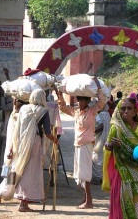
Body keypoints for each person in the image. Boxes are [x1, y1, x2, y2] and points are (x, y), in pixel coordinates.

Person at [102, 98, 138, 218]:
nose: (126, 111)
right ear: (118, 111)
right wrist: (111, 145)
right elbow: (107, 146)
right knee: (121, 205)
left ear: (135, 111)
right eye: (123, 108)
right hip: (122, 173)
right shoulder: (115, 128)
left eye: (129, 108)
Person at [57, 77, 105, 209]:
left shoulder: (92, 111)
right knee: (80, 173)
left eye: (82, 100)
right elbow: (62, 107)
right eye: (79, 99)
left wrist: (98, 88)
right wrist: (60, 94)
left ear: (87, 101)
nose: (80, 102)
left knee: (85, 173)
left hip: (86, 145)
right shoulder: (76, 111)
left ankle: (89, 201)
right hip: (78, 144)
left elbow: (101, 103)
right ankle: (85, 198)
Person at [11, 89, 58, 212]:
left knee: (23, 168)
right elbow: (48, 132)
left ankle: (23, 202)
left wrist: (12, 147)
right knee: (30, 172)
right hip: (34, 144)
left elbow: (17, 128)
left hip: (22, 143)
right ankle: (23, 202)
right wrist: (55, 139)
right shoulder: (43, 111)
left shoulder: (24, 109)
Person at [0, 97, 27, 203]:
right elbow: (16, 136)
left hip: (10, 148)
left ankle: (4, 192)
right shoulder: (20, 118)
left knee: (10, 171)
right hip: (15, 149)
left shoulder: (13, 116)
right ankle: (6, 193)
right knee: (14, 173)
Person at [91, 103, 110, 185]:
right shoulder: (107, 114)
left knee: (96, 158)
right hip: (105, 138)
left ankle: (97, 178)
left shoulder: (99, 115)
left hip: (100, 139)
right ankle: (103, 177)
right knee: (102, 159)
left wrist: (91, 131)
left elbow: (101, 126)